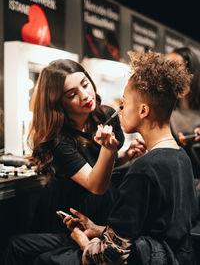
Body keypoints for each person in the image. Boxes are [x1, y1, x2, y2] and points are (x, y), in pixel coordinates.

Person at [0, 59, 145, 264]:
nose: (85, 96)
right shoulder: (58, 140)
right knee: (18, 248)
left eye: (85, 84)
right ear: (58, 103)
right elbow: (94, 183)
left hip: (104, 213)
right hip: (70, 219)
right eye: (72, 94)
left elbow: (96, 164)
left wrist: (124, 156)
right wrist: (109, 149)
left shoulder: (107, 115)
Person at [62, 50, 199, 265]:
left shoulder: (144, 169)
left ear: (143, 110)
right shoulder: (181, 158)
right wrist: (97, 229)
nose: (120, 110)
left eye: (124, 103)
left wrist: (83, 241)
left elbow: (110, 257)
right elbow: (159, 229)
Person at [167, 47, 200, 177]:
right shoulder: (170, 100)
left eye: (175, 65)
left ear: (190, 70)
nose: (168, 70)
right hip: (185, 168)